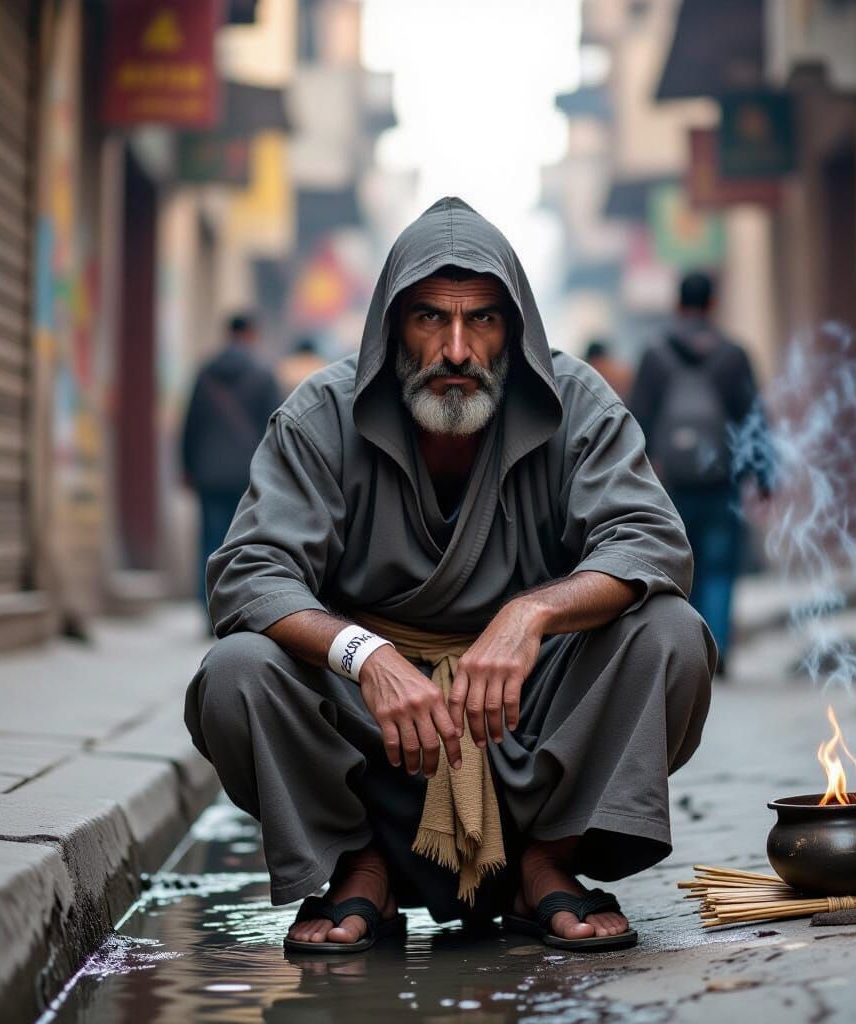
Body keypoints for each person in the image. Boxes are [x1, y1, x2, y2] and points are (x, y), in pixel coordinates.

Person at [185, 198, 714, 956]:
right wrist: (365, 657)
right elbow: (248, 574)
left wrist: (528, 617)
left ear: (516, 326)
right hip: (376, 739)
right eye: (430, 319)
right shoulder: (320, 417)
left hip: (528, 724)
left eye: (485, 321)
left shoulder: (577, 404)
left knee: (671, 632)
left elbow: (651, 541)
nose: (458, 350)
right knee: (236, 671)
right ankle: (357, 866)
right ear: (390, 326)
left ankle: (548, 860)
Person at [627, 271, 770, 675]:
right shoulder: (732, 355)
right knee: (721, 568)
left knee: (680, 568)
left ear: (677, 304)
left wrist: (640, 478)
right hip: (721, 482)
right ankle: (718, 645)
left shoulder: (655, 355)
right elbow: (753, 421)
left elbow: (636, 422)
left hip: (673, 484)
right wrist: (764, 477)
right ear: (712, 304)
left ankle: (691, 653)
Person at [181, 313, 281, 621]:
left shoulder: (206, 373)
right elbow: (275, 428)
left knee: (210, 542)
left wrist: (187, 466)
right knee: (241, 544)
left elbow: (191, 425)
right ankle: (233, 609)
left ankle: (207, 608)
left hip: (208, 472)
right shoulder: (263, 375)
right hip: (249, 474)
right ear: (251, 334)